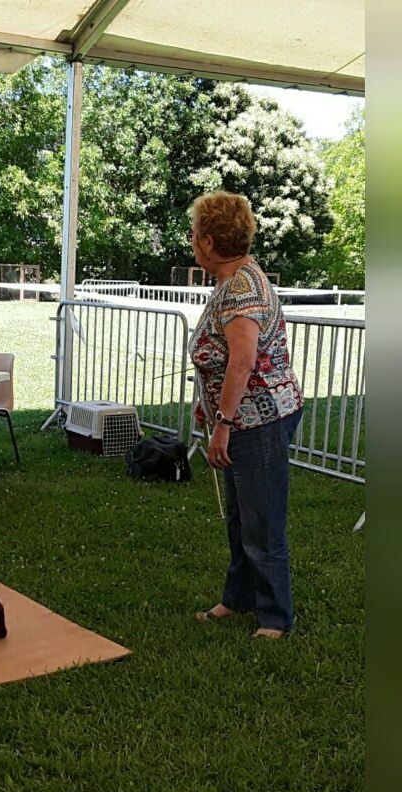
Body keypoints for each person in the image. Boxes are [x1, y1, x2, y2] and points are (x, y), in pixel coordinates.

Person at [187, 191, 304, 638]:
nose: (192, 241)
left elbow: (242, 362)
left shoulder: (241, 289)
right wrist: (210, 403)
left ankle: (275, 617)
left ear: (211, 242)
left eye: (196, 234)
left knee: (261, 521)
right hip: (242, 417)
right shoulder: (232, 281)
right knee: (239, 518)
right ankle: (237, 599)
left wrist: (223, 423)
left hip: (258, 421)